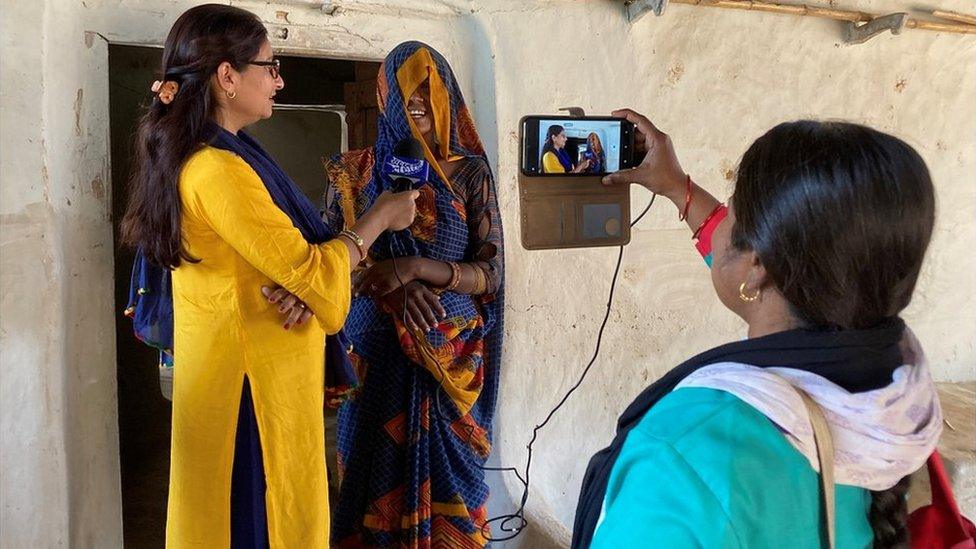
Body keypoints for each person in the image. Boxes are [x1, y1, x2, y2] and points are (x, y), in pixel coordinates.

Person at [572, 109, 942, 548]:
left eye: (735, 210)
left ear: (759, 264)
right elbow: (749, 261)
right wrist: (676, 187)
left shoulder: (687, 450)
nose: (722, 219)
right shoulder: (900, 393)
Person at [119, 5, 418, 546]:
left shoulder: (227, 155)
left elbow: (283, 266)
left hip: (242, 368)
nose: (278, 79)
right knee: (254, 522)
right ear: (227, 77)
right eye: (269, 65)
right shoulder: (217, 169)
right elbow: (308, 269)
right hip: (249, 391)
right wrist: (380, 218)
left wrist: (307, 285)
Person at [321, 41, 504, 548]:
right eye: (405, 89)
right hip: (375, 360)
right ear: (385, 98)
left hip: (449, 363)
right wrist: (388, 290)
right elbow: (328, 266)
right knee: (366, 485)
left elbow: (491, 274)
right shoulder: (351, 175)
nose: (418, 100)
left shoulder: (468, 173)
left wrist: (416, 267)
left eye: (428, 87)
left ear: (449, 94)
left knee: (456, 506)